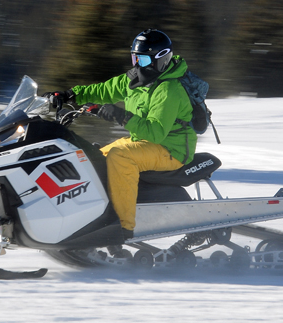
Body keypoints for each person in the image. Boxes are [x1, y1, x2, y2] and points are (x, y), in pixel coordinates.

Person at [47, 29, 197, 240]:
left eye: (143, 59)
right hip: (143, 141)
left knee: (120, 156)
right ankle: (88, 215)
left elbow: (155, 133)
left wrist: (121, 116)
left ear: (160, 60)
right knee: (90, 155)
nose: (137, 65)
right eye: (135, 58)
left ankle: (122, 227)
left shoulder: (169, 90)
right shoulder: (137, 79)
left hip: (171, 149)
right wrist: (71, 94)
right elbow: (104, 90)